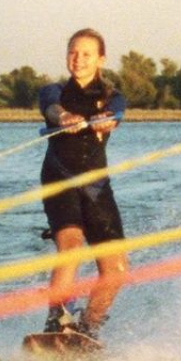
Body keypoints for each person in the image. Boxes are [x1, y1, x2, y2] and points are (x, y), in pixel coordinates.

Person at [39, 28, 129, 341]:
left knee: (116, 270)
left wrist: (109, 120)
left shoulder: (112, 97)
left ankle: (87, 330)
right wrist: (63, 117)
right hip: (59, 178)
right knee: (72, 244)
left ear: (100, 59)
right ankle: (57, 321)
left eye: (86, 53)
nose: (78, 59)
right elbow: (51, 107)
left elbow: (117, 112)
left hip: (96, 186)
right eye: (73, 52)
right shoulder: (53, 91)